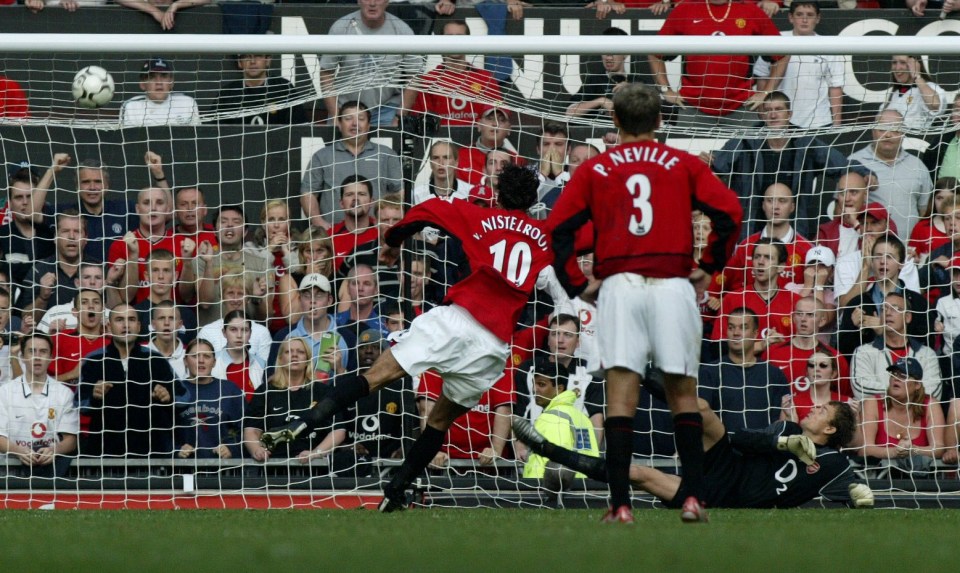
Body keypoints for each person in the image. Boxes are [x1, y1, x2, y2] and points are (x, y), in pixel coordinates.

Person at [259, 164, 558, 511]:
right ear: (533, 200)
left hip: (456, 319)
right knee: (439, 422)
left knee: (374, 377)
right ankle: (396, 491)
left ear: (497, 194)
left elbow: (427, 210)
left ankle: (304, 422)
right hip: (492, 347)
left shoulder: (480, 215)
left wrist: (392, 241)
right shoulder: (544, 235)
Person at [548, 83, 743, 524]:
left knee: (620, 395)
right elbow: (729, 212)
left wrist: (578, 283)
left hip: (620, 285)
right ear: (659, 121)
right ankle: (693, 498)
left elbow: (558, 229)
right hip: (674, 284)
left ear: (613, 121)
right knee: (682, 394)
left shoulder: (597, 168)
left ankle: (620, 505)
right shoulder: (684, 163)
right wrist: (709, 264)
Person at [512, 394, 875, 510]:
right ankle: (648, 375)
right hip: (726, 467)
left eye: (823, 411)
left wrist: (862, 494)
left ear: (830, 430)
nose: (814, 409)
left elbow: (860, 495)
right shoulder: (788, 428)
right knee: (699, 407)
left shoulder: (835, 464)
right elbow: (740, 440)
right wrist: (781, 442)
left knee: (638, 474)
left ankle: (547, 449)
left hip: (723, 496)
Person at [703, 92, 847, 238]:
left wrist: (867, 176)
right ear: (762, 115)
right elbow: (715, 166)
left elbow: (843, 166)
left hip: (793, 231)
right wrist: (704, 163)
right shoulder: (745, 141)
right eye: (768, 110)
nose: (773, 115)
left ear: (789, 114)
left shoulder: (806, 143)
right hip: (750, 231)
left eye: (778, 109)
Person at [649, 0, 786, 127]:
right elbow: (654, 52)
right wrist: (666, 90)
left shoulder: (750, 10)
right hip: (691, 107)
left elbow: (783, 53)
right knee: (688, 153)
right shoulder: (686, 8)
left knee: (747, 152)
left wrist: (766, 92)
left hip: (742, 107)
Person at [79, 303, 176, 457]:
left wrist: (167, 396)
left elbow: (184, 398)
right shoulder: (94, 359)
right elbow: (79, 403)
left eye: (131, 319)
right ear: (109, 327)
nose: (126, 325)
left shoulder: (156, 360)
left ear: (138, 326)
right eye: (119, 320)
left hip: (151, 454)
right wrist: (93, 396)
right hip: (104, 453)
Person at [243, 337, 352, 468]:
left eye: (300, 352)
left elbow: (338, 431)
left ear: (308, 360)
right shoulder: (265, 391)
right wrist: (257, 449)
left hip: (315, 468)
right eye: (288, 352)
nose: (294, 355)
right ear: (280, 359)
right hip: (274, 467)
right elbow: (251, 430)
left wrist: (315, 453)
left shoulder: (322, 391)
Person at [299, 101, 403, 230]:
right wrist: (320, 224)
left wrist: (387, 224)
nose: (355, 123)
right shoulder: (322, 156)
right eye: (348, 119)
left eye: (361, 119)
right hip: (333, 235)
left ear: (369, 125)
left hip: (376, 235)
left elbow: (400, 192)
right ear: (340, 124)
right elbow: (308, 193)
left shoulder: (386, 155)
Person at [318, 0, 421, 127]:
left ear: (387, 2)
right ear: (358, 1)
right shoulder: (341, 28)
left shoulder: (402, 31)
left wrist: (400, 116)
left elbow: (414, 77)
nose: (372, 3)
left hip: (386, 110)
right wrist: (335, 114)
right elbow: (326, 73)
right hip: (345, 110)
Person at [752, 1, 844, 129]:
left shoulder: (828, 46)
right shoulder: (776, 40)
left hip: (818, 122)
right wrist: (763, 114)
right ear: (790, 17)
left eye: (810, 15)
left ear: (818, 18)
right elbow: (762, 77)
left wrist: (837, 124)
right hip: (780, 121)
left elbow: (835, 87)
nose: (804, 19)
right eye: (799, 14)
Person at [0, 334, 79, 477]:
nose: (37, 357)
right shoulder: (5, 392)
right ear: (22, 356)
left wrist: (55, 450)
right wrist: (17, 450)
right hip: (10, 472)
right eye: (31, 351)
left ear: (50, 357)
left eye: (43, 351)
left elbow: (71, 441)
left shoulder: (64, 393)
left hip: (52, 471)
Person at [838, 235, 929, 357]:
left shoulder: (918, 303)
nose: (882, 261)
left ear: (901, 264)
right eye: (877, 256)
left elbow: (927, 347)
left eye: (889, 257)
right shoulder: (857, 304)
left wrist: (884, 332)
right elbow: (844, 354)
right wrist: (856, 330)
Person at [702, 307, 791, 431]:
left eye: (743, 327)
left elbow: (783, 420)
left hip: (763, 448)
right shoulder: (709, 372)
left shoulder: (774, 375)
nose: (736, 333)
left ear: (755, 333)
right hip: (723, 448)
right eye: (731, 327)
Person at [848, 110, 934, 238]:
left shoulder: (917, 166)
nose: (888, 135)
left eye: (895, 130)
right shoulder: (854, 163)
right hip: (865, 249)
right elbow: (841, 211)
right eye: (882, 129)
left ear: (903, 134)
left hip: (908, 253)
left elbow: (926, 213)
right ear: (873, 132)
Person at [401, 19, 502, 127]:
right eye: (449, 37)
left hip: (476, 142)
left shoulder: (485, 79)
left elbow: (499, 113)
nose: (455, 41)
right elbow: (421, 124)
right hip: (439, 142)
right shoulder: (428, 81)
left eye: (459, 37)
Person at [720, 183, 814, 293]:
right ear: (763, 205)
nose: (776, 206)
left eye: (782, 201)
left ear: (792, 207)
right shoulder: (745, 246)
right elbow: (730, 287)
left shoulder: (807, 249)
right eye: (770, 200)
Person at [858, 357, 945, 472]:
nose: (896, 379)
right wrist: (894, 452)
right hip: (880, 479)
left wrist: (913, 450)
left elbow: (939, 448)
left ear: (917, 384)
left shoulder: (930, 405)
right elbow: (864, 449)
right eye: (894, 374)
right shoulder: (873, 403)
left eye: (903, 376)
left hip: (921, 479)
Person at [711, 239, 799, 352]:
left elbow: (804, 347)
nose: (761, 262)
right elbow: (716, 347)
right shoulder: (733, 298)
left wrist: (782, 346)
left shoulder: (796, 302)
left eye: (768, 257)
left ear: (781, 267)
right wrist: (761, 345)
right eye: (757, 257)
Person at [521, 357, 599, 482]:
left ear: (559, 388)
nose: (535, 389)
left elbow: (552, 462)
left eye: (541, 384)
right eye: (534, 383)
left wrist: (535, 490)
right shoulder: (581, 417)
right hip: (585, 489)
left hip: (551, 493)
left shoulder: (552, 418)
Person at [851, 292, 941, 400]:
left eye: (895, 309)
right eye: (884, 309)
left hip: (916, 416)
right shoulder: (863, 352)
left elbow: (934, 392)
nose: (888, 313)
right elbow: (861, 388)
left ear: (907, 317)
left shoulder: (927, 354)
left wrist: (896, 393)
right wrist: (905, 393)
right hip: (879, 416)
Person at [55, 157, 139, 263]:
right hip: (80, 279)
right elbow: (31, 213)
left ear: (107, 185)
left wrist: (159, 175)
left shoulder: (125, 209)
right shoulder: (64, 213)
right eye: (86, 182)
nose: (92, 187)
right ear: (77, 186)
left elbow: (164, 214)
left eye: (98, 182)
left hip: (119, 278)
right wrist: (52, 170)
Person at [175, 338, 245, 460]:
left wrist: (232, 449)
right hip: (184, 471)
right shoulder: (175, 390)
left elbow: (248, 429)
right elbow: (161, 433)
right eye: (195, 356)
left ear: (214, 362)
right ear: (185, 361)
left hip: (224, 471)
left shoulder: (229, 390)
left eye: (207, 356)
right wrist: (176, 449)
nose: (201, 361)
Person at [767, 296, 849, 396]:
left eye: (810, 315)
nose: (803, 319)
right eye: (799, 314)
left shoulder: (834, 357)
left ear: (822, 321)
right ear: (793, 318)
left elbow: (843, 396)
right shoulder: (773, 353)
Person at [565, 27, 644, 120]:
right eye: (605, 51)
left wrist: (632, 92)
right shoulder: (594, 81)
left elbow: (652, 115)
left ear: (625, 53)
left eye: (613, 52)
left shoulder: (637, 82)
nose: (608, 58)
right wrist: (601, 101)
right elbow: (569, 113)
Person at [284, 274, 349, 382]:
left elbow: (356, 385)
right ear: (300, 300)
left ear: (329, 300)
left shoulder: (347, 336)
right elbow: (275, 381)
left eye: (319, 295)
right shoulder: (286, 336)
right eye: (307, 295)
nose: (312, 301)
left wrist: (340, 369)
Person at [215, 54, 307, 125]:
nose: (252, 61)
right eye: (247, 56)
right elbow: (213, 130)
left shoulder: (284, 89)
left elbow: (299, 127)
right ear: (239, 62)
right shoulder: (227, 94)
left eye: (258, 56)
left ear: (268, 60)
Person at [48, 288, 110, 385]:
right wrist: (72, 374)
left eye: (96, 302)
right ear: (75, 312)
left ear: (102, 311)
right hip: (66, 399)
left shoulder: (111, 342)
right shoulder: (60, 338)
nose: (91, 306)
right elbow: (41, 383)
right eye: (84, 302)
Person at [119, 57, 199, 127]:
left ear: (171, 82)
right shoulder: (132, 107)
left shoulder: (188, 104)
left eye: (163, 76)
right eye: (152, 77)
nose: (159, 82)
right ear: (142, 84)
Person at [781, 351, 852, 424]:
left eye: (823, 365)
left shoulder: (847, 402)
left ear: (833, 373)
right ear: (807, 372)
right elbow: (782, 434)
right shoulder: (792, 404)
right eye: (812, 365)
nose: (817, 369)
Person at [882, 55, 947, 132]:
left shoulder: (929, 88)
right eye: (894, 62)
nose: (897, 68)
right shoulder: (893, 94)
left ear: (915, 64)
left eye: (903, 62)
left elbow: (935, 104)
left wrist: (917, 75)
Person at [817, 169, 872, 260]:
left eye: (853, 192)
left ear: (865, 195)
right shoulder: (825, 231)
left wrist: (855, 224)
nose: (847, 198)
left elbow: (882, 254)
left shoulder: (880, 223)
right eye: (842, 193)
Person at [457, 108, 520, 186]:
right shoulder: (459, 157)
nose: (495, 124)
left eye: (501, 120)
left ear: (509, 129)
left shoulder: (518, 161)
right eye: (490, 119)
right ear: (479, 125)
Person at [211, 311, 265, 400]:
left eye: (244, 330)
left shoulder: (261, 364)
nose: (239, 335)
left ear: (250, 333)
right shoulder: (212, 362)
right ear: (224, 332)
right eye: (233, 329)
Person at [411, 140, 472, 205]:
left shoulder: (469, 193)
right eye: (436, 158)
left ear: (456, 162)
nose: (441, 163)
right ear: (431, 163)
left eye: (446, 157)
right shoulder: (417, 195)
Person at [142, 301, 186, 381]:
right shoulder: (139, 353)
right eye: (161, 318)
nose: (166, 323)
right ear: (153, 324)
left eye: (172, 318)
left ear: (180, 324)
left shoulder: (190, 355)